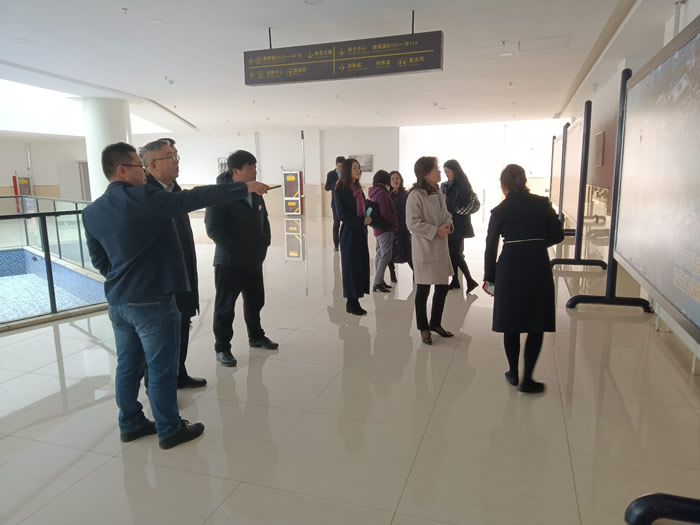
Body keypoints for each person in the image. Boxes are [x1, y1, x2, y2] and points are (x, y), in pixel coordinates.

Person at [83, 142, 268, 450]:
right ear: (122, 170)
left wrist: (125, 280)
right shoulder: (146, 197)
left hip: (119, 302)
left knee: (128, 367)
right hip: (153, 300)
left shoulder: (92, 212)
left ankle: (130, 423)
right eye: (139, 166)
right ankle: (169, 429)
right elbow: (196, 197)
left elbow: (100, 261)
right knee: (161, 369)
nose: (144, 172)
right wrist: (242, 187)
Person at [483, 164, 564, 393]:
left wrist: (490, 278)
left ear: (503, 186)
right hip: (538, 265)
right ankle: (528, 378)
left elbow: (490, 247)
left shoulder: (499, 211)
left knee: (511, 321)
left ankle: (513, 372)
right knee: (536, 322)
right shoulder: (542, 203)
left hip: (509, 268)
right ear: (524, 181)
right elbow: (557, 235)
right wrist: (536, 244)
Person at [140, 138, 207, 389]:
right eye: (170, 156)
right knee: (160, 340)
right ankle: (158, 387)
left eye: (176, 155)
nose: (176, 161)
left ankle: (179, 373)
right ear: (152, 165)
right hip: (162, 280)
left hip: (183, 272)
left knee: (182, 324)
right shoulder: (147, 195)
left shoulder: (174, 190)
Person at [205, 150, 278, 368]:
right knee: (225, 307)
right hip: (229, 261)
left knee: (255, 301)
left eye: (255, 167)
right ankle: (222, 347)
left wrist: (265, 241)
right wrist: (236, 250)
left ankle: (256, 336)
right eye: (249, 168)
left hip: (253, 259)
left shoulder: (254, 191)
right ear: (235, 171)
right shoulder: (220, 195)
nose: (254, 171)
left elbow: (263, 218)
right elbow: (213, 228)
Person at [406, 156, 454, 345]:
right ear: (425, 173)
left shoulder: (439, 193)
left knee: (442, 287)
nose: (439, 171)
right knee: (423, 289)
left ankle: (435, 323)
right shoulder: (415, 196)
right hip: (425, 248)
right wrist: (435, 231)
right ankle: (423, 328)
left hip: (440, 248)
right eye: (436, 168)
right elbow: (412, 223)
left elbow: (447, 215)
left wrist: (449, 225)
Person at [334, 158, 371, 315]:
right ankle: (351, 302)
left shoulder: (358, 188)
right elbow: (342, 215)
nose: (358, 170)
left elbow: (362, 207)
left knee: (359, 265)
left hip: (360, 231)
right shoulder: (340, 190)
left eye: (359, 167)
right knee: (350, 267)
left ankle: (356, 299)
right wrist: (361, 221)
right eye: (355, 167)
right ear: (347, 170)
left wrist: (368, 215)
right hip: (349, 232)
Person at [442, 159, 479, 293]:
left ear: (455, 171)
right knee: (452, 254)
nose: (447, 174)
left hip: (460, 224)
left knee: (455, 253)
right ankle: (456, 280)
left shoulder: (463, 184)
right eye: (445, 172)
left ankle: (469, 280)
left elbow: (460, 202)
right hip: (449, 222)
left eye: (448, 171)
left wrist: (447, 199)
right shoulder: (445, 185)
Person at [368, 169, 398, 292]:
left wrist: (390, 195)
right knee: (385, 255)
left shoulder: (376, 191)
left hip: (378, 228)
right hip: (385, 228)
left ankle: (379, 280)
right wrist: (394, 222)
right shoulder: (382, 193)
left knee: (380, 254)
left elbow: (381, 205)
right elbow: (385, 212)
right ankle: (377, 283)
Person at [387, 170, 412, 283]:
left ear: (401, 180)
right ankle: (392, 273)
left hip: (403, 227)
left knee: (408, 251)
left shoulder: (406, 194)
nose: (395, 180)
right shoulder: (387, 194)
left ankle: (415, 273)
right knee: (390, 253)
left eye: (397, 178)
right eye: (393, 179)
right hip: (391, 228)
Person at [325, 156, 345, 251]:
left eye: (342, 166)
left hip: (345, 203)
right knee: (336, 224)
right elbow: (326, 187)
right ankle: (336, 245)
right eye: (339, 166)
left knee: (346, 225)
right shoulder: (331, 174)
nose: (341, 168)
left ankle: (344, 243)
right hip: (335, 203)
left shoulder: (346, 174)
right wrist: (335, 184)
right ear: (336, 165)